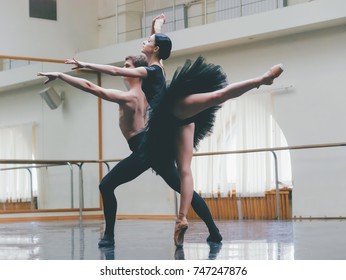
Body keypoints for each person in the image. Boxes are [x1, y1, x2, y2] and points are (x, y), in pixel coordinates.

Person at [37, 48, 222, 247]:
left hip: (144, 149)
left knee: (106, 185)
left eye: (127, 66)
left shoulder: (130, 97)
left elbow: (91, 87)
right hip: (152, 148)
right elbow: (156, 68)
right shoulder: (148, 94)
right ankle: (214, 232)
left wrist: (61, 75)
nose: (123, 69)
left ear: (136, 71)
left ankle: (109, 236)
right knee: (183, 188)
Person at [144, 55, 284, 247]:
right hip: (175, 118)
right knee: (184, 169)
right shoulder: (151, 65)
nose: (145, 41)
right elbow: (148, 54)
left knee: (184, 167)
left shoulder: (147, 68)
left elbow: (116, 70)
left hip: (171, 113)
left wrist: (87, 65)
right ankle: (181, 217)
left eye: (148, 41)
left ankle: (262, 80)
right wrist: (156, 29)